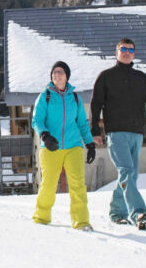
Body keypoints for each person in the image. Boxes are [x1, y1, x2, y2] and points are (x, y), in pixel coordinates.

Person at [90, 38, 146, 229]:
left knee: (130, 176)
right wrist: (95, 131)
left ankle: (117, 212)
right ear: (116, 52)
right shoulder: (106, 77)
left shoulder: (140, 78)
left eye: (130, 50)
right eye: (123, 49)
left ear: (134, 54)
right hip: (116, 133)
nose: (127, 52)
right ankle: (139, 213)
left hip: (136, 133)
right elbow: (95, 105)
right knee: (127, 172)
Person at [31, 60, 97, 231]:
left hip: (73, 145)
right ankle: (41, 218)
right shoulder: (45, 96)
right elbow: (36, 120)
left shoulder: (75, 98)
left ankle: (81, 222)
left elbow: (82, 123)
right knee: (49, 184)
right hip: (51, 146)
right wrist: (45, 135)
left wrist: (89, 144)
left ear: (67, 76)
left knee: (78, 185)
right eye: (54, 72)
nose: (56, 75)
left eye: (60, 72)